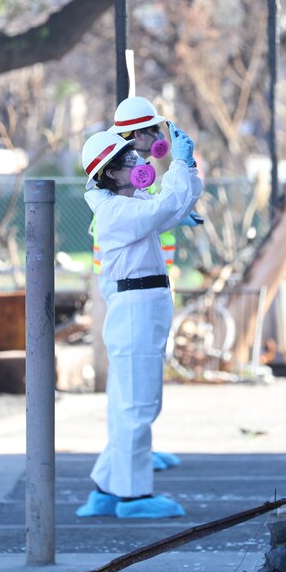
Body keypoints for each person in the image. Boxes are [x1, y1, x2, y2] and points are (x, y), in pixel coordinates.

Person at [76, 122, 202, 520]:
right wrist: (179, 164)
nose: (139, 161)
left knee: (129, 403)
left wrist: (188, 168)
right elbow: (165, 206)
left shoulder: (124, 204)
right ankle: (132, 497)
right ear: (110, 173)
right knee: (138, 405)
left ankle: (106, 487)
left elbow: (173, 205)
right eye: (128, 159)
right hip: (135, 308)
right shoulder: (117, 210)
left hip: (141, 305)